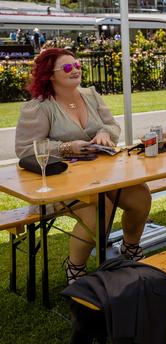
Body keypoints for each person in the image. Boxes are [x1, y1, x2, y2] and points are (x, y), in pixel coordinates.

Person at [14, 48, 151, 283]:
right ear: (50, 75)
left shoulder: (91, 95)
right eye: (67, 67)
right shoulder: (39, 106)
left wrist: (103, 134)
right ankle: (75, 267)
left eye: (77, 64)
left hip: (102, 175)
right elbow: (26, 149)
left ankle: (130, 249)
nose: (76, 69)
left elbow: (113, 126)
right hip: (60, 181)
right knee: (102, 212)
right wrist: (67, 148)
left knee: (141, 196)